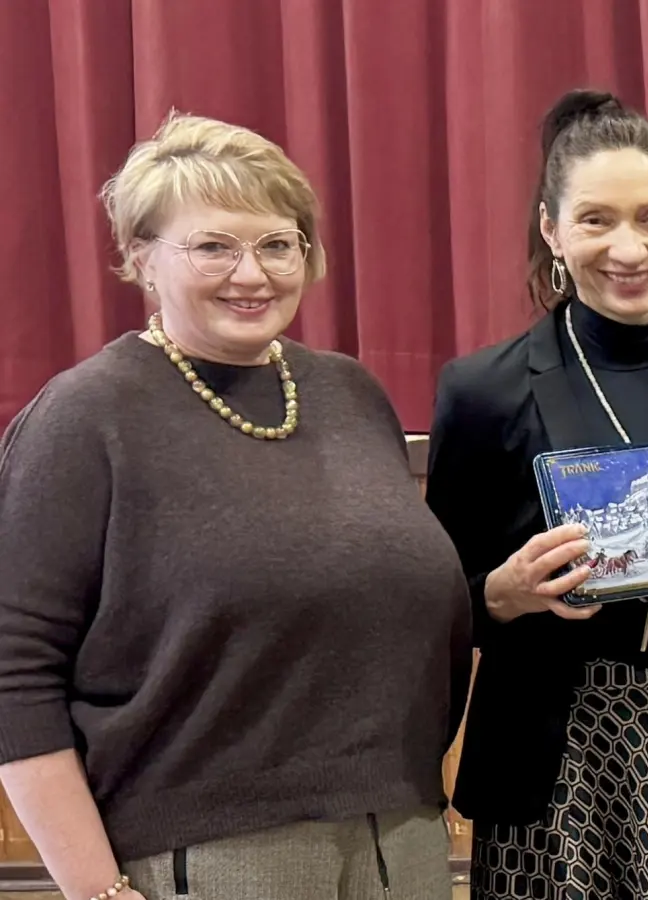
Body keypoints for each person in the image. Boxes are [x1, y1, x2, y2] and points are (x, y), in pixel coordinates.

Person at [0, 112, 471, 900]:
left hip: (402, 838)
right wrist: (94, 889)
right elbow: (15, 673)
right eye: (214, 247)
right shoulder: (85, 418)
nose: (252, 274)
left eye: (278, 245)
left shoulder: (350, 394)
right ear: (141, 257)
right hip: (210, 858)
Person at [424, 89, 648, 899]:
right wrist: (503, 595)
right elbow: (437, 601)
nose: (629, 248)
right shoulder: (483, 390)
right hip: (560, 745)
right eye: (596, 220)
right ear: (552, 230)